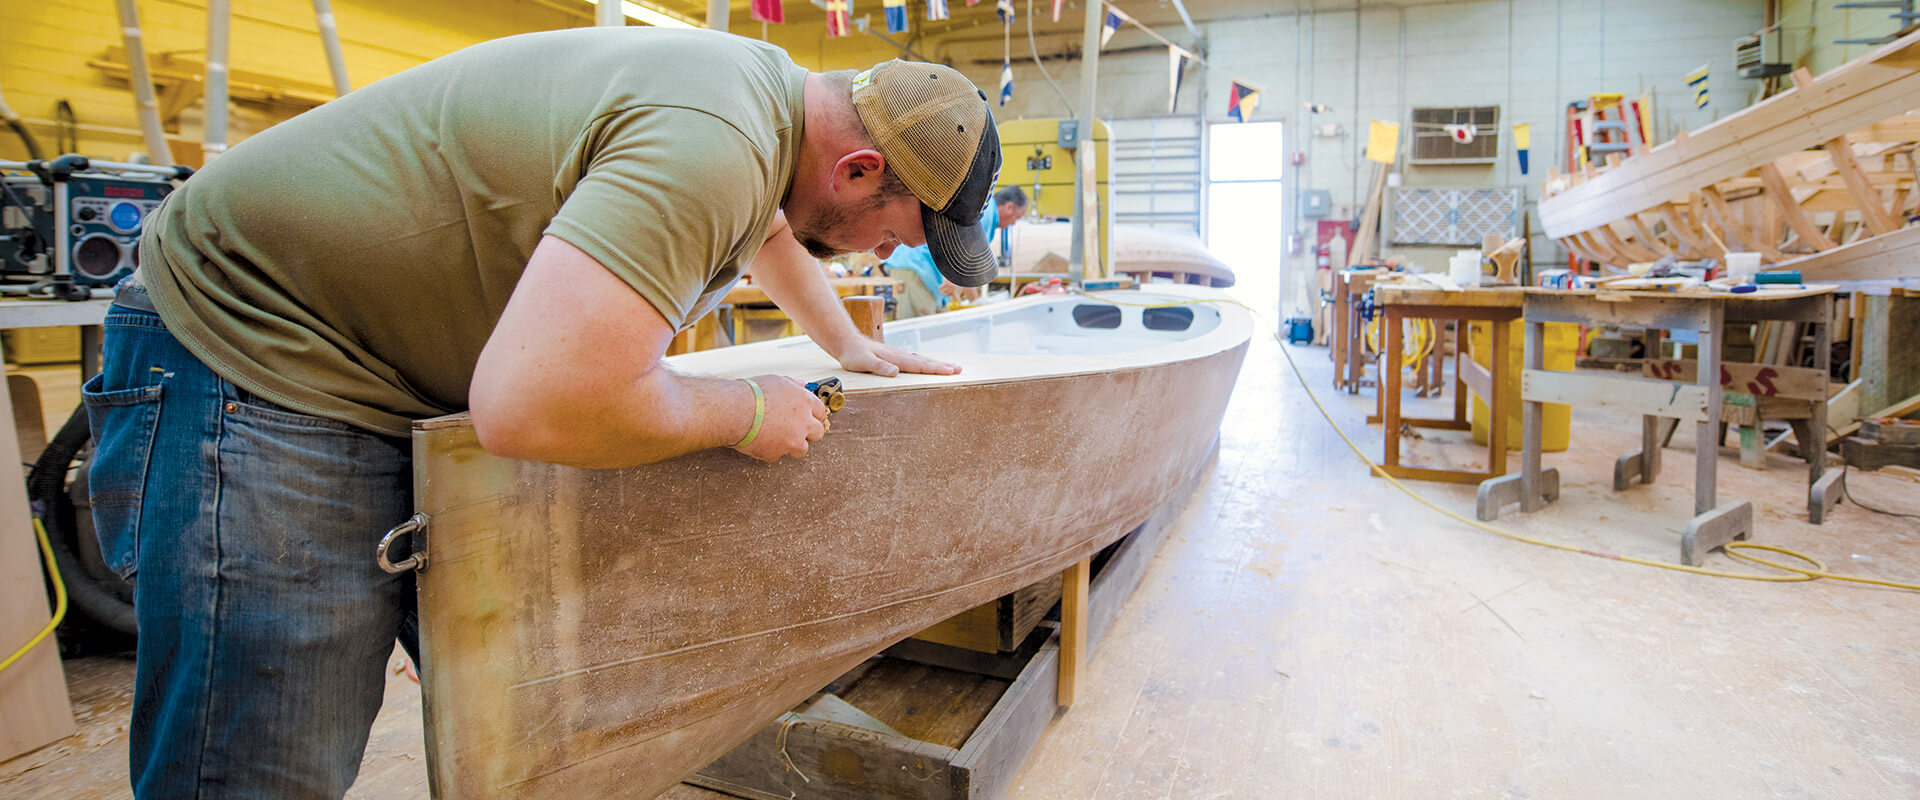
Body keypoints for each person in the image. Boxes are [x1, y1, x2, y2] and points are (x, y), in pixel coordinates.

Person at [83, 26, 1001, 799]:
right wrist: (744, 412)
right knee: (268, 750)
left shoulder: (766, 105)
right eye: (893, 233)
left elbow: (763, 226)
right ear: (858, 167)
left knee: (506, 694)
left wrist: (846, 343)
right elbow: (536, 407)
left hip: (370, 363)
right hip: (256, 353)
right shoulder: (710, 144)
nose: (879, 254)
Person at [888, 185, 1026, 317]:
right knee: (915, 330)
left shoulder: (985, 211)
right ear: (1009, 207)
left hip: (925, 271)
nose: (1013, 223)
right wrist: (975, 302)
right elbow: (966, 260)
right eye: (1017, 218)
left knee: (932, 329)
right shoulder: (985, 212)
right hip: (915, 266)